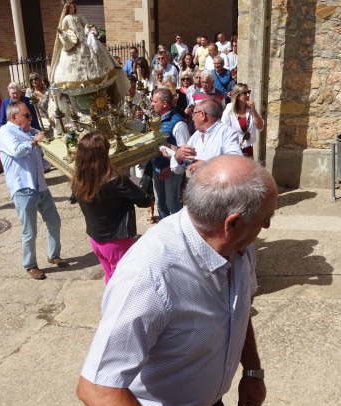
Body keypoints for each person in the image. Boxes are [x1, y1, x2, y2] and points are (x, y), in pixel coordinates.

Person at [77, 155, 277, 406]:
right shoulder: (148, 277)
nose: (267, 226)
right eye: (265, 218)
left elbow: (238, 306)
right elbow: (98, 389)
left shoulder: (239, 246)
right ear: (233, 223)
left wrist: (252, 370)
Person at [0, 102, 68, 280]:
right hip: (23, 188)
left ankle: (54, 255)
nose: (30, 118)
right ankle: (30, 265)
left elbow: (47, 138)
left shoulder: (28, 131)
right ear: (15, 117)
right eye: (26, 115)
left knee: (54, 222)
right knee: (29, 230)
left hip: (40, 186)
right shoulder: (5, 132)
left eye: (30, 115)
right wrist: (35, 141)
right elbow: (16, 150)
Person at [72, 131, 152, 284]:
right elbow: (144, 200)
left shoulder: (78, 179)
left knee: (110, 278)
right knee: (124, 284)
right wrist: (137, 182)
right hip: (116, 241)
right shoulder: (116, 179)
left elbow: (73, 198)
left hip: (95, 239)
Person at [49, 1, 128, 104]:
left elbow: (86, 24)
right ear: (67, 9)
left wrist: (87, 30)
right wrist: (64, 35)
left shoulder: (79, 16)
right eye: (70, 8)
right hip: (73, 44)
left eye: (73, 7)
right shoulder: (66, 19)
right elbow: (63, 31)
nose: (72, 9)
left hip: (84, 39)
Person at [150, 88, 190, 219]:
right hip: (156, 167)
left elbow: (185, 153)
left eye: (154, 101)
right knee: (160, 203)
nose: (152, 104)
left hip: (171, 170)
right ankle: (165, 232)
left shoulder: (178, 123)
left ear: (165, 103)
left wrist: (170, 169)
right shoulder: (156, 118)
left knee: (171, 203)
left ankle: (182, 231)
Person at [175, 99, 242, 174]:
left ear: (202, 115)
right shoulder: (196, 135)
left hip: (217, 184)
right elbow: (179, 169)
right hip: (197, 184)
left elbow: (235, 161)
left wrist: (207, 165)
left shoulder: (227, 132)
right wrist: (178, 156)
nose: (192, 118)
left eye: (194, 114)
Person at [222, 84, 264, 158]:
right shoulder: (229, 110)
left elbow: (260, 127)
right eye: (244, 93)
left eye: (248, 92)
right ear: (237, 96)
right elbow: (223, 130)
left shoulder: (250, 110)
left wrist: (254, 110)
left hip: (247, 148)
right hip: (234, 149)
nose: (248, 95)